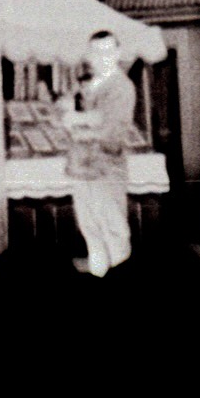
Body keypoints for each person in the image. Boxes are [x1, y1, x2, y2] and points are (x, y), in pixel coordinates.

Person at [62, 30, 135, 276]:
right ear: (88, 55)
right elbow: (62, 115)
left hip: (106, 166)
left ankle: (119, 278)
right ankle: (98, 279)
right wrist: (72, 116)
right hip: (81, 166)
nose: (100, 57)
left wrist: (77, 121)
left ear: (117, 54)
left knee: (113, 228)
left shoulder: (121, 86)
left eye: (106, 51)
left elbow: (111, 126)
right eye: (95, 51)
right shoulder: (84, 86)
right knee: (90, 230)